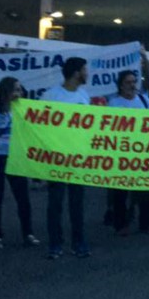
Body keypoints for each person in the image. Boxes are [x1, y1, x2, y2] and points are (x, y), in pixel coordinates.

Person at [0, 76, 38, 248]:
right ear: (6, 91)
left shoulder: (22, 110)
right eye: (15, 90)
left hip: (15, 156)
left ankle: (28, 233)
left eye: (20, 90)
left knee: (23, 197)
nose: (18, 93)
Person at [42, 56, 91, 260]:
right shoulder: (51, 95)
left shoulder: (84, 95)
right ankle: (55, 243)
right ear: (76, 72)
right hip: (56, 157)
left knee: (77, 203)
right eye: (85, 70)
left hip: (78, 158)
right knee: (55, 203)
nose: (87, 73)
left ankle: (78, 242)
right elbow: (39, 124)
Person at [107, 70, 149, 236]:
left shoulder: (144, 100)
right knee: (120, 193)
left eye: (134, 81)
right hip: (121, 154)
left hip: (142, 153)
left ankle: (146, 223)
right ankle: (121, 224)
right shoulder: (114, 103)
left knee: (145, 191)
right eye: (128, 82)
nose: (132, 85)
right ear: (121, 85)